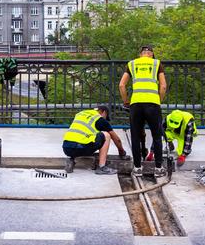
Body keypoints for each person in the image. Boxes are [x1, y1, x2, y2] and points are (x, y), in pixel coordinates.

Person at [118, 45, 168, 177]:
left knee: (135, 136)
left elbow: (122, 85)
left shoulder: (132, 64)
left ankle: (137, 168)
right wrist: (159, 99)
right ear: (151, 54)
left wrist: (126, 101)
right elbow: (163, 86)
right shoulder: (157, 64)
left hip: (136, 104)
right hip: (153, 103)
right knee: (157, 136)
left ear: (140, 54)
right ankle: (158, 168)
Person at [62, 106, 128, 175]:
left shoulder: (80, 114)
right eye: (106, 117)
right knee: (106, 135)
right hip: (82, 148)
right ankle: (102, 167)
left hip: (66, 148)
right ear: (104, 112)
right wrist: (121, 151)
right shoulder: (99, 119)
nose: (105, 119)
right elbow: (116, 139)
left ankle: (70, 159)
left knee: (79, 138)